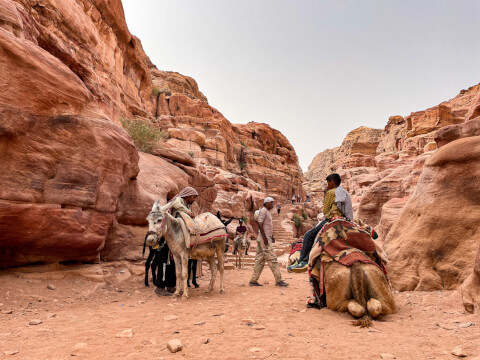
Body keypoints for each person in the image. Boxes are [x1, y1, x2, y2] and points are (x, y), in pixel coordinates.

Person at [288, 173, 352, 273]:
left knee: (308, 236)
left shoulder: (331, 193)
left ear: (333, 182)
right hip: (345, 219)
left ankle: (303, 260)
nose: (327, 185)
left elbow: (326, 211)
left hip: (332, 218)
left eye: (328, 182)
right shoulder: (344, 192)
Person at [249, 197, 289, 287]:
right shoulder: (263, 211)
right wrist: (265, 238)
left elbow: (268, 226)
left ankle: (253, 281)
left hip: (265, 237)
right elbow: (259, 223)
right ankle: (279, 280)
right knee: (272, 259)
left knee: (259, 260)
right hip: (264, 239)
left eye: (273, 203)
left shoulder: (267, 212)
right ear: (266, 203)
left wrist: (272, 236)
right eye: (271, 203)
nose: (272, 204)